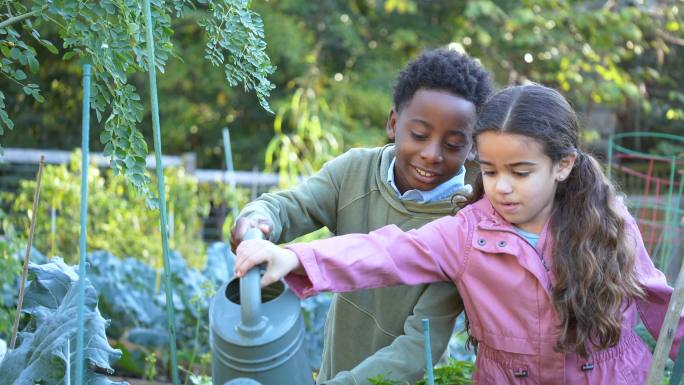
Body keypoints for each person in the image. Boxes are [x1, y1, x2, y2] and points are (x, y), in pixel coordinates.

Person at [235, 84, 684, 384]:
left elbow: (655, 296)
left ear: (562, 165)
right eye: (489, 170)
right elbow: (387, 251)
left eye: (521, 171)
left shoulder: (607, 219)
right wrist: (294, 258)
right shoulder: (466, 234)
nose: (502, 186)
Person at [230, 48, 493, 384]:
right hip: (334, 371)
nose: (431, 154)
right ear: (394, 123)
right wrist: (258, 219)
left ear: (472, 147)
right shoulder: (355, 171)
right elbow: (292, 205)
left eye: (454, 144)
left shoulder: (466, 221)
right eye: (420, 135)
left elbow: (418, 347)